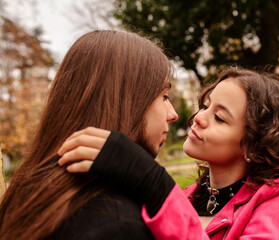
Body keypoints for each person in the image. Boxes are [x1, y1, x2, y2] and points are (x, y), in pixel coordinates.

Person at [57, 67, 279, 239]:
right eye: (206, 106)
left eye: (220, 118)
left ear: (254, 144)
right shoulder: (184, 200)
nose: (198, 117)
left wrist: (153, 182)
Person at [0, 30, 178, 240]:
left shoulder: (28, 193)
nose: (173, 114)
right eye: (164, 97)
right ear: (128, 101)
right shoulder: (119, 223)